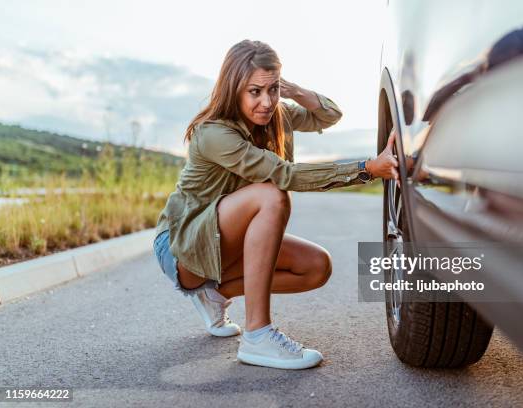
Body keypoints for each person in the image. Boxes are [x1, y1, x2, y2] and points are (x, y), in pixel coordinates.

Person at [153, 39, 399, 370]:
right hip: (182, 244)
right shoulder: (214, 134)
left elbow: (329, 114)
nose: (266, 102)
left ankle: (214, 292)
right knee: (270, 194)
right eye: (255, 91)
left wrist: (293, 90)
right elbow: (283, 175)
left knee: (315, 266)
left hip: (223, 238)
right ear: (233, 88)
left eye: (273, 89)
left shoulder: (276, 114)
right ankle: (257, 336)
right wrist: (366, 169)